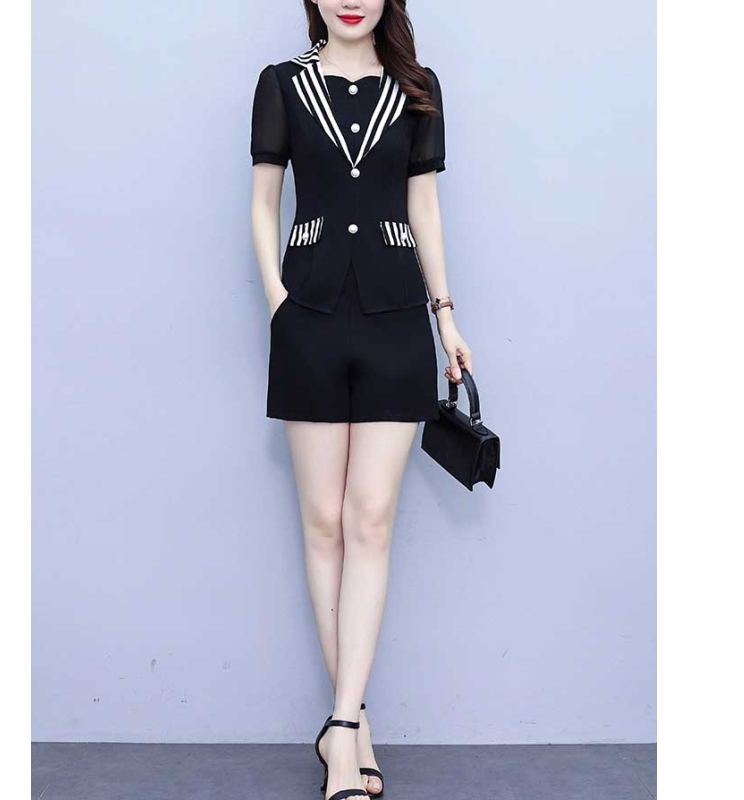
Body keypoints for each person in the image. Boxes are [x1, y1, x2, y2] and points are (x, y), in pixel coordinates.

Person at [250, 2, 473, 798]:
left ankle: (339, 726)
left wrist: (446, 319)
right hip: (308, 319)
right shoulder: (282, 84)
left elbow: (425, 209)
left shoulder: (417, 89)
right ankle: (355, 729)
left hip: (395, 321)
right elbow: (263, 203)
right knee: (323, 523)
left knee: (370, 518)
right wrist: (279, 302)